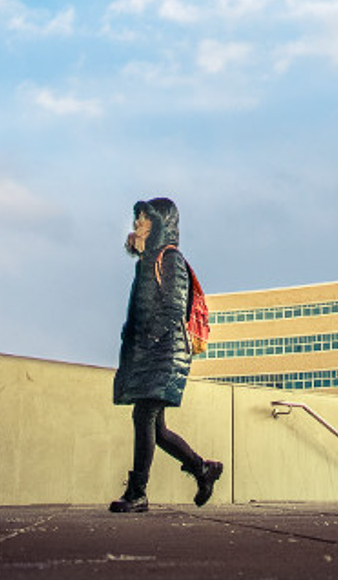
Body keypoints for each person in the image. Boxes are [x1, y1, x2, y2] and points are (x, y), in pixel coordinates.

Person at [110, 197, 222, 512]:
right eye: (137, 219)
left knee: (143, 415)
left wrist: (150, 339)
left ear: (161, 224)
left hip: (163, 353)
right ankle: (203, 468)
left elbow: (172, 308)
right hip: (151, 352)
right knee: (156, 427)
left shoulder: (170, 258)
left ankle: (137, 493)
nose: (137, 224)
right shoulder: (147, 261)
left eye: (145, 219)